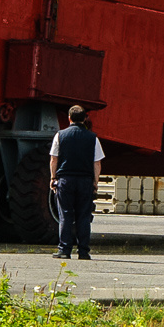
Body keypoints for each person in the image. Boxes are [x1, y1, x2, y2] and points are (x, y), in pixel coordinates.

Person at [49, 105, 104, 260]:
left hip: (65, 179)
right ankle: (83, 251)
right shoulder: (93, 138)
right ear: (85, 118)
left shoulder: (60, 135)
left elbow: (54, 159)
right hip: (85, 180)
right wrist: (95, 182)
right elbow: (97, 163)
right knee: (83, 216)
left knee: (65, 215)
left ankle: (64, 250)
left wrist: (53, 178)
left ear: (69, 118)